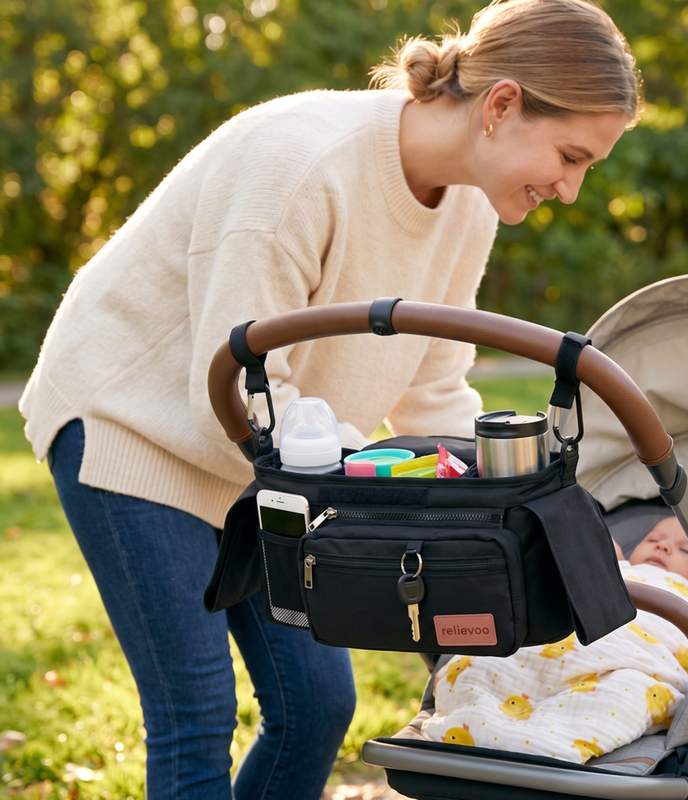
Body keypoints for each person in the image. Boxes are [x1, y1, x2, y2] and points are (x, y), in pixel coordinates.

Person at [19, 0, 643, 797]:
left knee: (315, 706)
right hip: (135, 428)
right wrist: (378, 482)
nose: (573, 188)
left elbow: (432, 392)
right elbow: (232, 396)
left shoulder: (468, 205)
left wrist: (522, 510)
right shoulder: (301, 165)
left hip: (273, 461)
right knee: (195, 713)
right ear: (502, 104)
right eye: (570, 155)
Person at [417, 517, 688, 763]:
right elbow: (580, 538)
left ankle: (545, 742)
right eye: (653, 539)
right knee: (484, 664)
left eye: (685, 550)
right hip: (550, 643)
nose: (662, 546)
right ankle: (471, 719)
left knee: (628, 692)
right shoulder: (616, 567)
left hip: (631, 659)